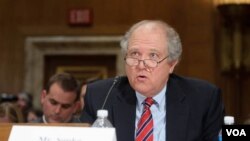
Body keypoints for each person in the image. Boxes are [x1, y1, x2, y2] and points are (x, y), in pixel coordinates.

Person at [79, 20, 224, 141]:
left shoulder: (204, 99)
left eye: (153, 56)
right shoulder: (100, 96)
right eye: (134, 54)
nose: (141, 65)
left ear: (172, 64)